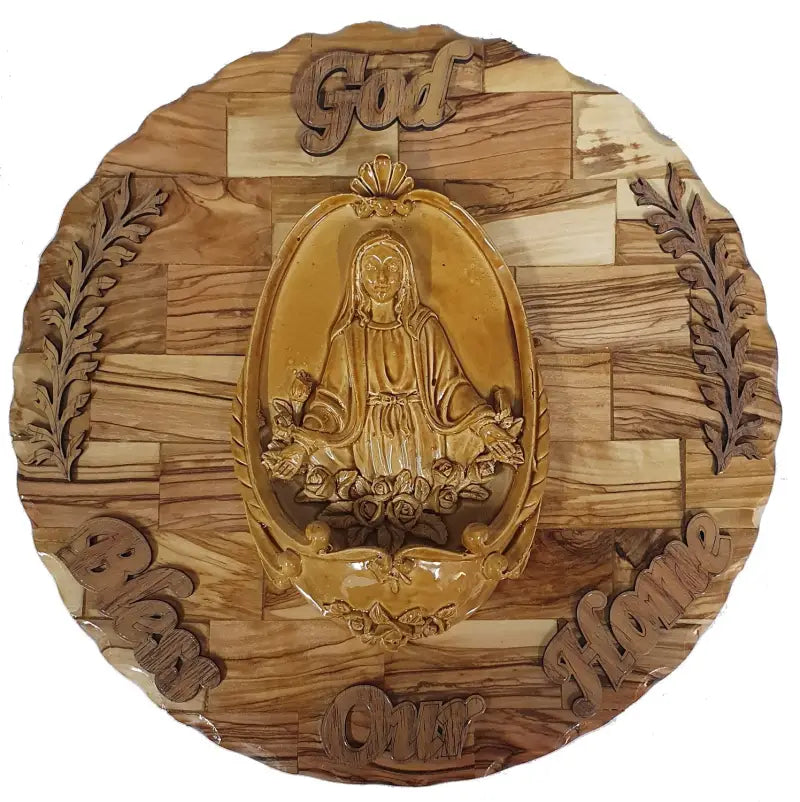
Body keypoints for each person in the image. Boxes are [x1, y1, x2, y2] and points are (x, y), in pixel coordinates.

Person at [268, 229, 519, 482]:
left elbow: (451, 389)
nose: (382, 277)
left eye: (391, 267)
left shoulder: (424, 329)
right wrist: (301, 446)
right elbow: (332, 401)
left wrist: (486, 428)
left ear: (405, 275)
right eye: (371, 267)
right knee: (327, 459)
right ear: (358, 276)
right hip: (369, 436)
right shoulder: (349, 336)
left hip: (422, 432)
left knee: (447, 464)